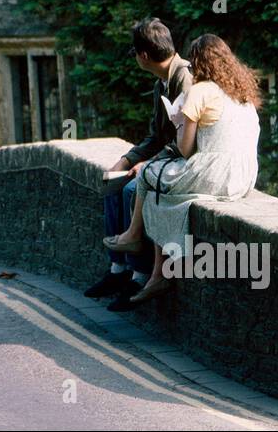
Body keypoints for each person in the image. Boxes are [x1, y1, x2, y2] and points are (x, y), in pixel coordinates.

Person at [105, 33, 261, 305]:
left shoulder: (200, 91)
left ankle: (134, 238)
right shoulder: (243, 95)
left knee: (150, 175)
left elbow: (186, 149)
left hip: (213, 173)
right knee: (159, 191)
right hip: (243, 177)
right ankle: (155, 274)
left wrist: (179, 122)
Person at [84, 17, 193, 311]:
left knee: (133, 190)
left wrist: (148, 163)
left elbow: (188, 141)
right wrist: (127, 159)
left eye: (134, 52)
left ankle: (140, 275)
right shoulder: (162, 83)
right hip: (167, 157)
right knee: (114, 182)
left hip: (186, 161)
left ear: (143, 55)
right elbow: (155, 135)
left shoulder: (185, 78)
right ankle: (118, 270)